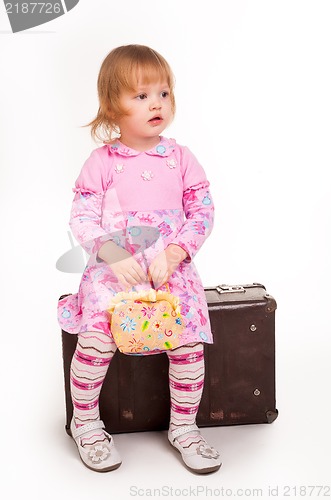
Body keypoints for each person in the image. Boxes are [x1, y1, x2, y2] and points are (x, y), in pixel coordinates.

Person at [57, 44, 221, 474]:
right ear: (113, 107)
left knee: (187, 342)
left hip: (170, 269)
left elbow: (203, 210)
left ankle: (184, 426)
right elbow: (83, 216)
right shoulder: (102, 161)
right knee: (96, 338)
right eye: (142, 95)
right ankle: (87, 423)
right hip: (114, 270)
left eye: (164, 94)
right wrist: (110, 254)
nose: (157, 104)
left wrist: (176, 250)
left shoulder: (181, 158)